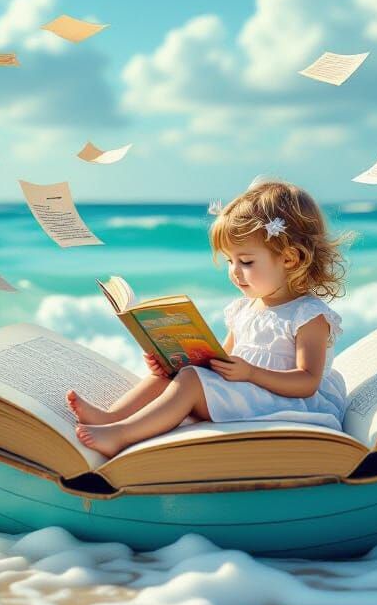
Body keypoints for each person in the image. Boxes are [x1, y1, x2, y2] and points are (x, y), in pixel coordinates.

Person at [66, 178, 353, 459]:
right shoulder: (244, 309)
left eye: (246, 261)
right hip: (246, 392)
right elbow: (223, 358)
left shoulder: (308, 315)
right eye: (230, 261)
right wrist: (172, 361)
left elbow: (307, 381)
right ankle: (111, 416)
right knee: (178, 373)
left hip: (282, 401)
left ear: (290, 259)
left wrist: (251, 373)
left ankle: (122, 435)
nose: (235, 271)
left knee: (190, 379)